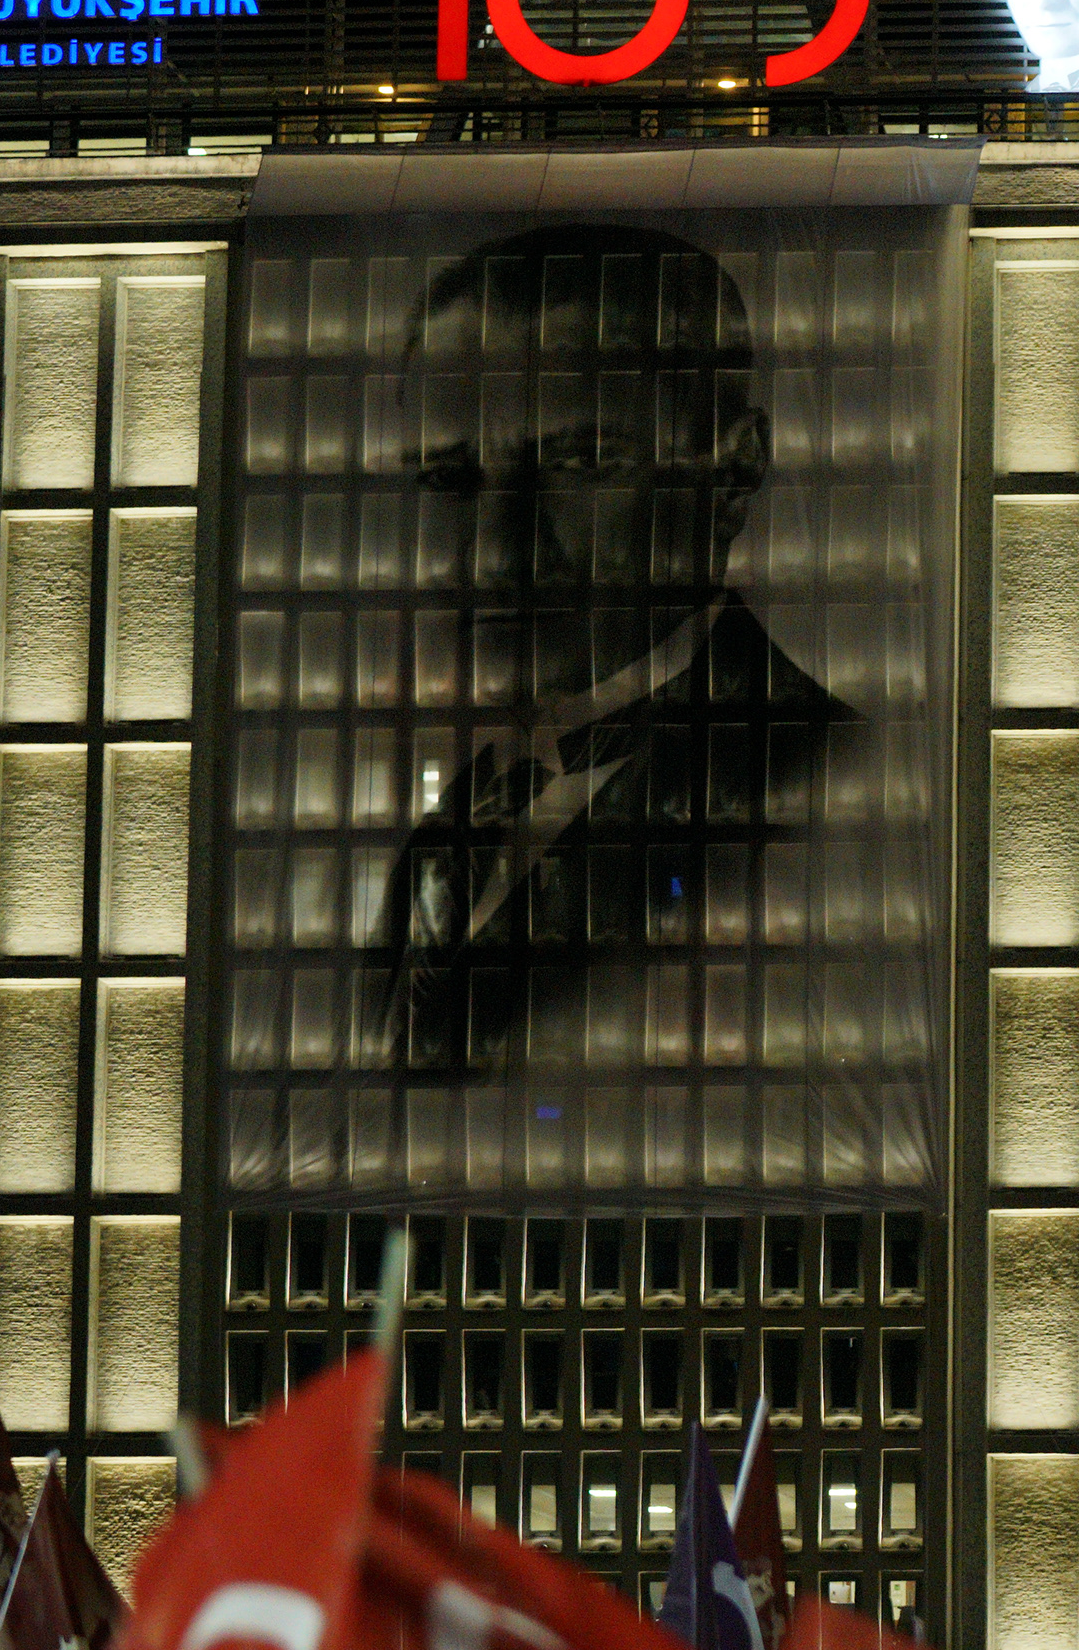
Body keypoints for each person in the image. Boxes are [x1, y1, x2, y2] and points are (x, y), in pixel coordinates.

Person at [350, 225, 914, 1184]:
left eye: (578, 461)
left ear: (732, 473)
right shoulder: (446, 839)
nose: (493, 551)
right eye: (450, 479)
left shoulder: (824, 782)